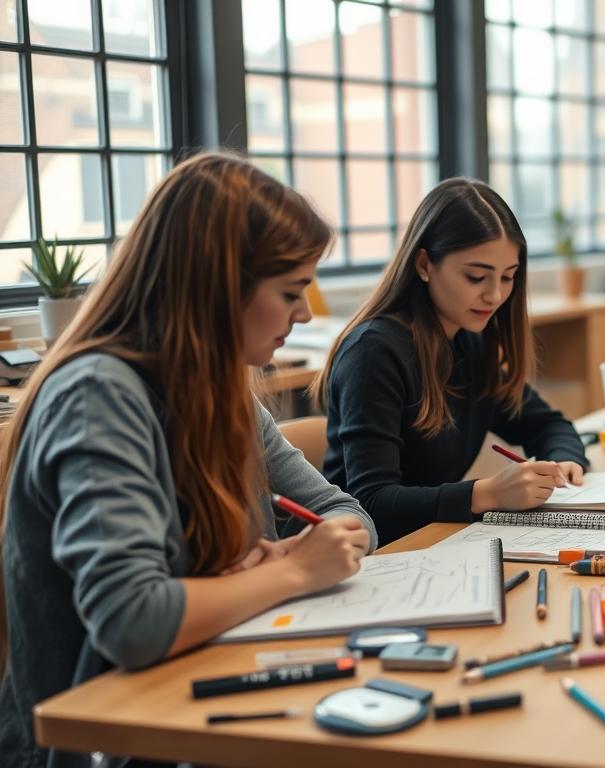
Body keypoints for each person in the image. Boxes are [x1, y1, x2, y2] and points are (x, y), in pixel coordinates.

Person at [0, 153, 378, 767]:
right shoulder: (98, 396)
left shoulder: (222, 395)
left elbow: (350, 516)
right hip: (104, 740)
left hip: (194, 700)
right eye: (290, 292)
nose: (305, 314)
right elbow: (132, 621)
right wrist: (290, 573)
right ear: (218, 286)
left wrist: (284, 558)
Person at [316, 178, 588, 544]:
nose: (494, 295)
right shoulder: (373, 353)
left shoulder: (469, 343)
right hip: (367, 557)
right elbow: (371, 504)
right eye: (476, 276)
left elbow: (547, 425)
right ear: (425, 263)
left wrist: (564, 461)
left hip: (431, 544)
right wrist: (487, 493)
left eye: (508, 277)